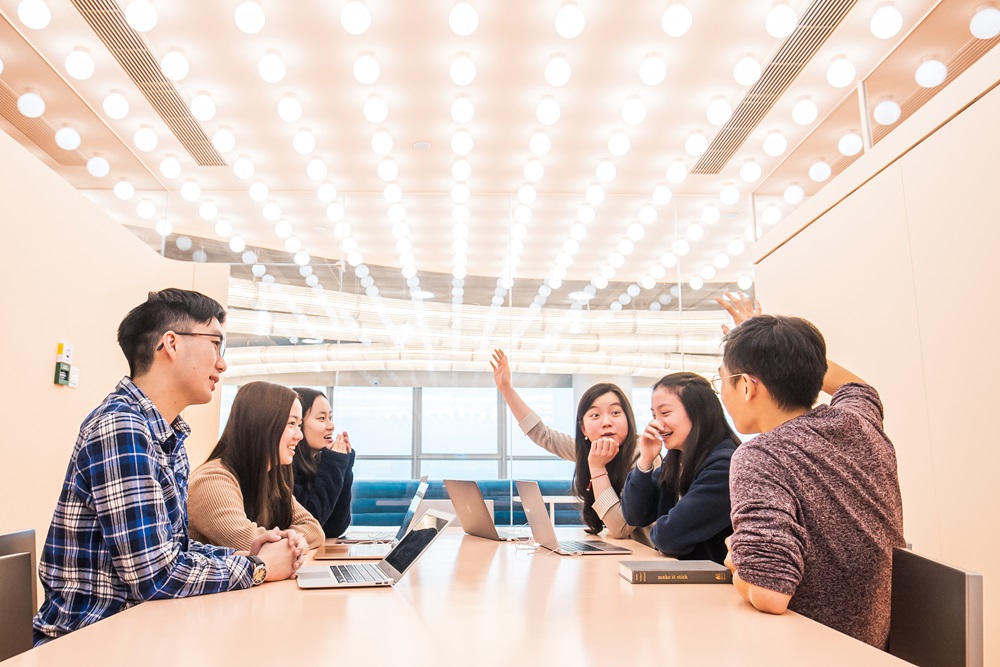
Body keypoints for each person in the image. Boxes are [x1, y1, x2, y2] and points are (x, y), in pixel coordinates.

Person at [33, 289, 301, 645]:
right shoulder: (122, 427)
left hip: (139, 633)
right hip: (88, 644)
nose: (222, 364)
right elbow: (155, 575)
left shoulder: (165, 433)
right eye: (216, 344)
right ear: (171, 344)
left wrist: (245, 551)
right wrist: (259, 568)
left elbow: (175, 550)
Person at [715, 292, 904, 649]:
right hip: (874, 645)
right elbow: (858, 386)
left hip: (812, 647)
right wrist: (775, 347)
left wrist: (736, 562)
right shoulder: (859, 419)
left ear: (746, 385)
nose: (722, 391)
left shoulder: (759, 456)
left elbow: (770, 594)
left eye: (722, 380)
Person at [491, 349, 644, 539]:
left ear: (629, 419)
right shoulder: (587, 450)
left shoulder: (643, 456)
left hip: (646, 561)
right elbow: (542, 434)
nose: (606, 422)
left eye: (615, 413)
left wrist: (597, 467)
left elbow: (620, 528)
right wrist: (506, 388)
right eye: (595, 415)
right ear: (584, 429)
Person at [188, 381, 324, 551]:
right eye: (291, 424)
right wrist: (293, 539)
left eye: (299, 425)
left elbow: (314, 529)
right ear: (262, 424)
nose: (300, 435)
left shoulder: (269, 476)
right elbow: (253, 545)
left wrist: (290, 539)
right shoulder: (211, 482)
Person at [619, 373, 739, 564]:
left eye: (665, 413)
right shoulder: (676, 459)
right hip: (683, 577)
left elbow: (669, 536)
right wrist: (645, 462)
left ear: (698, 412)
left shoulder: (724, 465)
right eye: (653, 415)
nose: (657, 424)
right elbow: (634, 515)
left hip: (715, 585)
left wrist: (662, 526)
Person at [290, 387, 356, 539]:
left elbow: (334, 528)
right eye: (321, 418)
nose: (331, 426)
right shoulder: (285, 468)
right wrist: (334, 464)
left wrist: (344, 467)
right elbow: (312, 525)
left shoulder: (316, 465)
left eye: (330, 418)